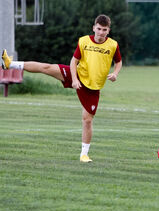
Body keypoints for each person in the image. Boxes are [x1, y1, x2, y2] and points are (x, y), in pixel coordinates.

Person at [2, 14, 123, 162]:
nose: (101, 32)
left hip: (92, 87)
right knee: (46, 67)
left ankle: (84, 154)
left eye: (104, 30)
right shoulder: (84, 41)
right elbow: (73, 62)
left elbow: (118, 62)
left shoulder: (113, 45)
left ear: (108, 30)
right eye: (99, 29)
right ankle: (10, 64)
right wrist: (74, 79)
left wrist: (115, 74)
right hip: (77, 74)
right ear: (94, 28)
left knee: (87, 120)